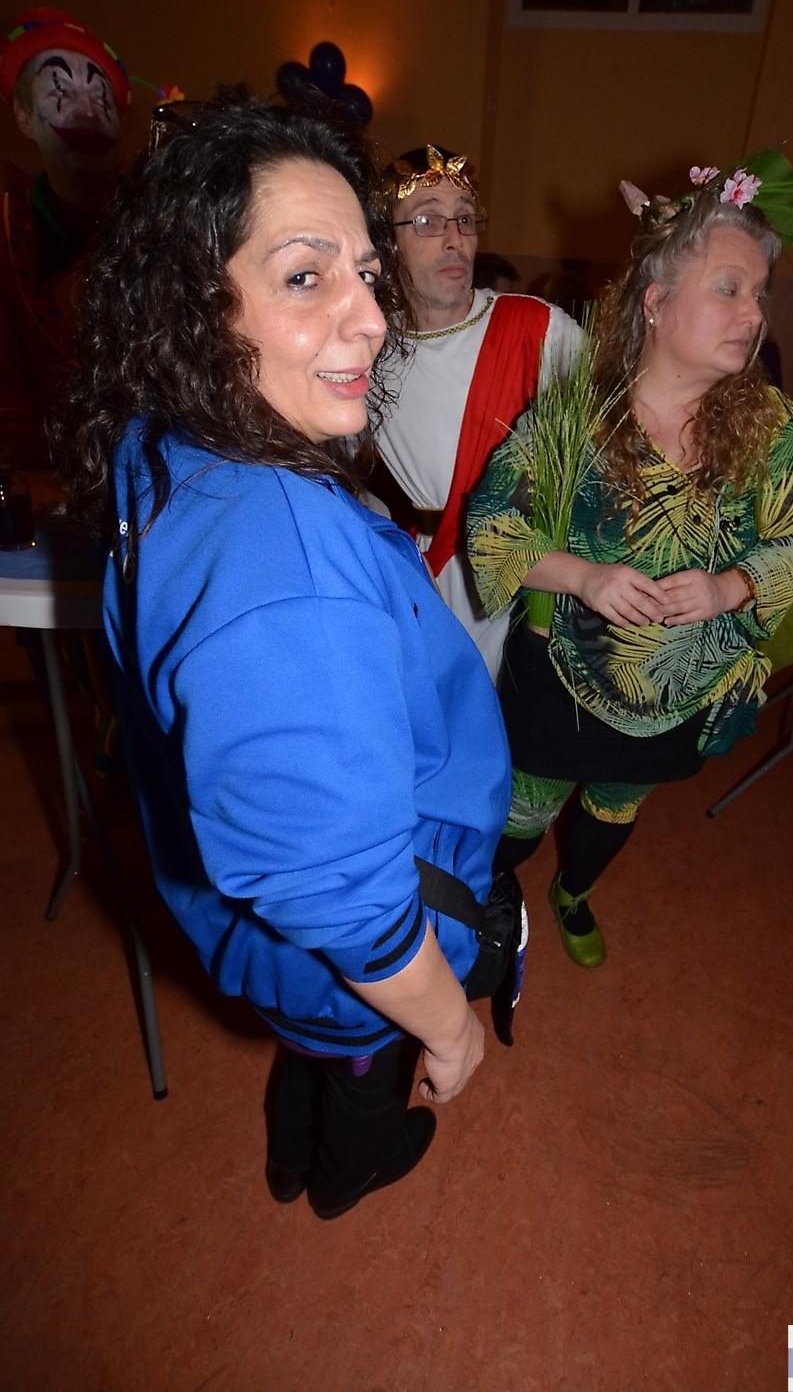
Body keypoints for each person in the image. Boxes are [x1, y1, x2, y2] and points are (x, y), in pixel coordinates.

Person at [53, 94, 511, 1220]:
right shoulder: (287, 585)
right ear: (194, 305)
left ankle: (286, 1155)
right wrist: (450, 1027)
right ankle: (344, 1174)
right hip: (358, 954)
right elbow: (345, 901)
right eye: (305, 276)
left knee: (311, 1041)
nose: (371, 318)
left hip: (262, 947)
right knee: (360, 1052)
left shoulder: (169, 440)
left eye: (365, 271)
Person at [468, 173, 793, 968]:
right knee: (523, 809)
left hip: (681, 689)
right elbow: (491, 526)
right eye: (728, 289)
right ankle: (490, 897)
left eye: (759, 294)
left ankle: (573, 893)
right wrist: (582, 577)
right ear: (656, 301)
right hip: (564, 674)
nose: (752, 315)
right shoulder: (576, 417)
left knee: (615, 804)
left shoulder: (770, 424)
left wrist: (731, 586)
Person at [373, 144, 583, 679]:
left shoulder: (538, 330)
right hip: (412, 578)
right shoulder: (365, 344)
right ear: (386, 241)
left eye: (464, 219)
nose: (454, 239)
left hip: (518, 579)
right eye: (428, 221)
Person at [1, 7, 128, 465]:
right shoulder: (6, 233)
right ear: (23, 117)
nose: (88, 112)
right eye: (60, 91)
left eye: (100, 94)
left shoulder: (158, 226)